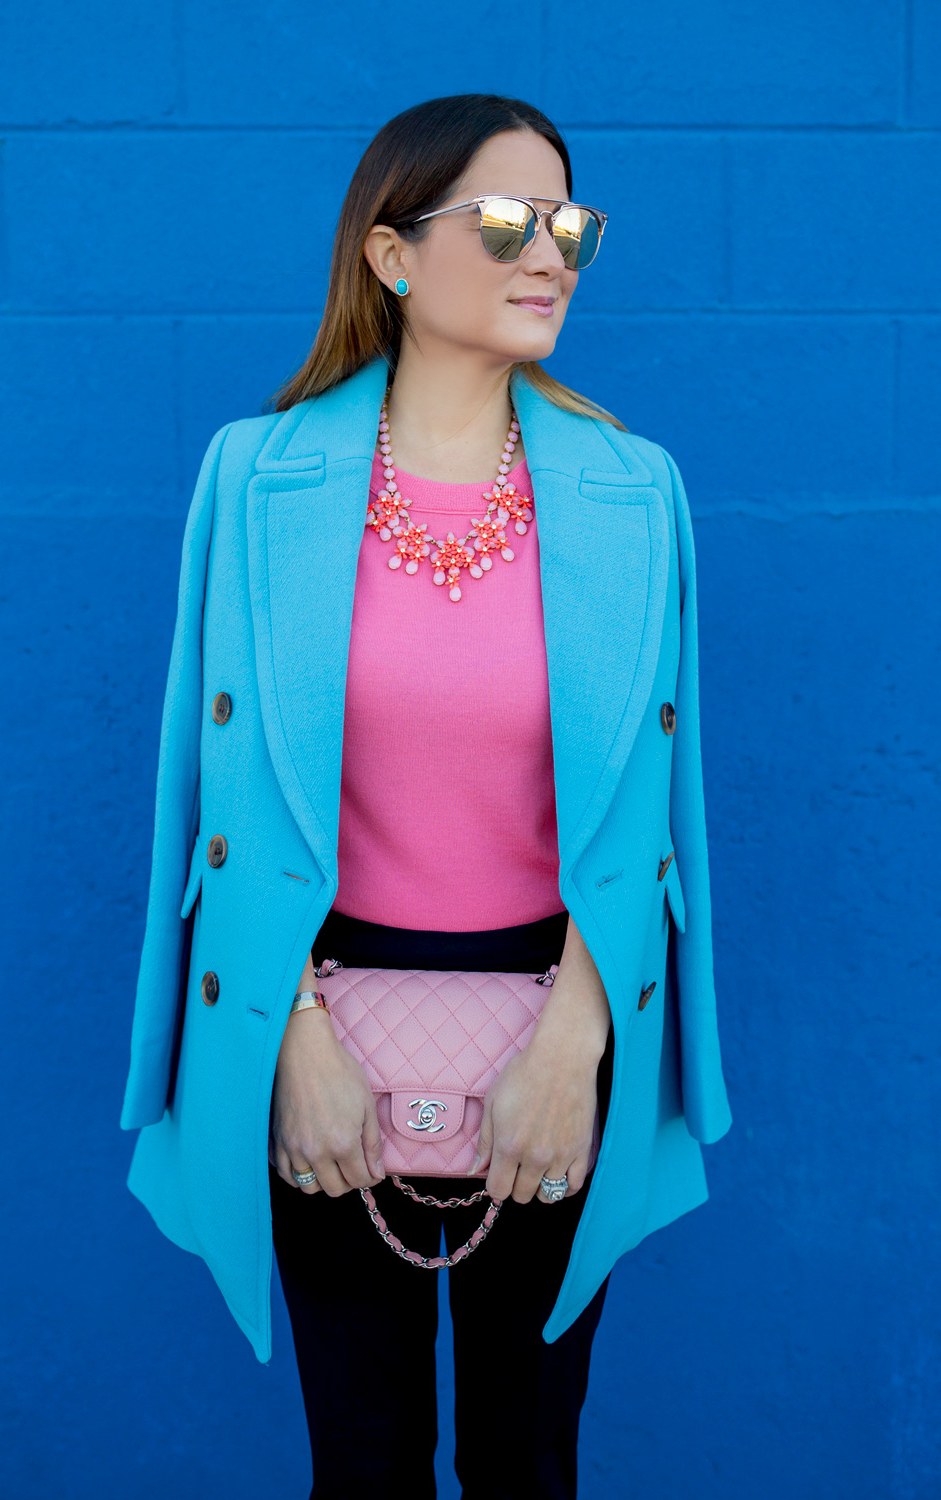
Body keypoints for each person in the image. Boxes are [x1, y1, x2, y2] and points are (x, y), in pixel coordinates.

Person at [120, 93, 733, 1500]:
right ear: (392, 258)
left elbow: (654, 814)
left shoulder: (637, 492)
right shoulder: (258, 476)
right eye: (509, 221)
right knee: (366, 1463)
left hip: (556, 1034)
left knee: (530, 1460)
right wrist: (292, 1038)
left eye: (570, 225)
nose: (552, 255)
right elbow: (207, 800)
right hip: (321, 1031)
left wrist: (578, 1039)